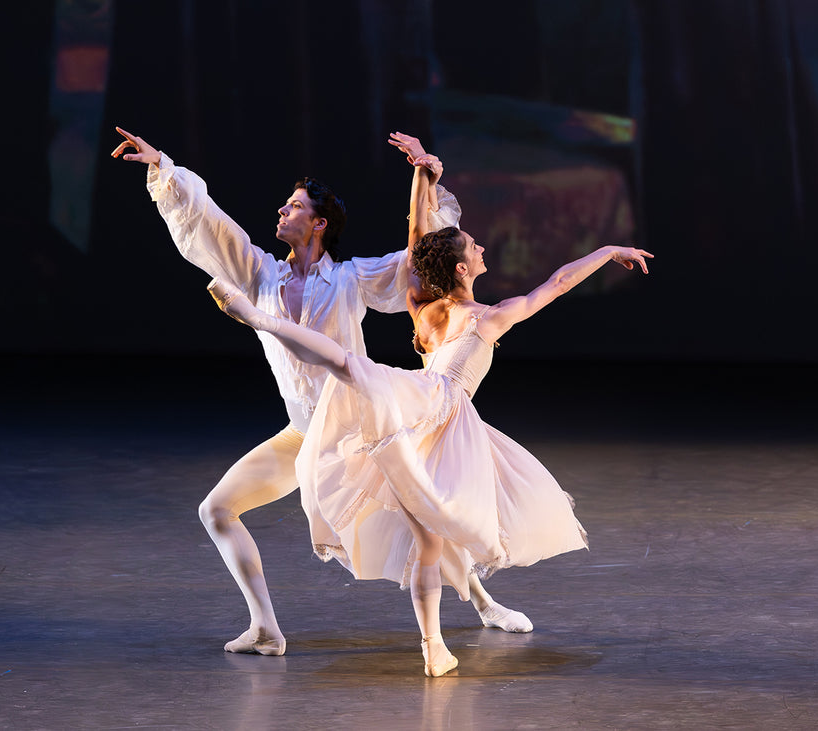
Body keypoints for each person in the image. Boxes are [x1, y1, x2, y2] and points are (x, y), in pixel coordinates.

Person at [204, 155, 653, 676]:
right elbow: (555, 283)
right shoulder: (488, 318)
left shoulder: (424, 307)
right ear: (463, 268)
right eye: (475, 247)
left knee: (357, 382)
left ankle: (453, 630)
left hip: (423, 418)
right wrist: (608, 249)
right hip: (437, 411)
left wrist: (421, 180)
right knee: (427, 522)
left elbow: (420, 245)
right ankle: (437, 643)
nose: (481, 248)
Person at [110, 127, 534, 658]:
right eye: (285, 204)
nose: (282, 211)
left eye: (295, 206)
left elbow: (419, 259)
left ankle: (482, 603)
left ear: (319, 223)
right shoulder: (259, 274)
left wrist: (425, 181)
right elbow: (210, 224)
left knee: (427, 521)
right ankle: (266, 628)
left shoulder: (352, 279)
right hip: (305, 434)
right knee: (216, 510)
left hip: (362, 431)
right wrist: (162, 169)